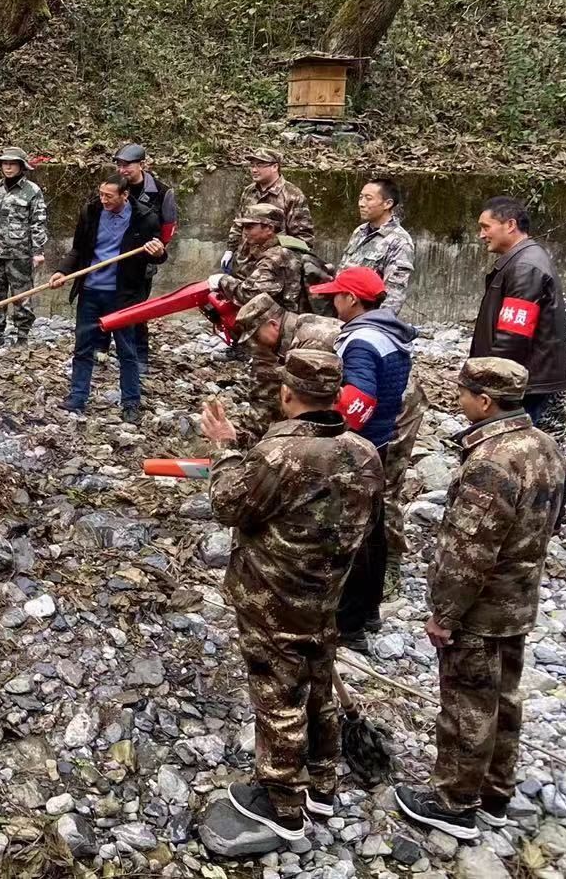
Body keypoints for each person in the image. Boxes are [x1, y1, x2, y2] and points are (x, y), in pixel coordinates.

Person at [201, 350, 383, 843]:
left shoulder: (279, 455)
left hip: (274, 596)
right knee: (318, 682)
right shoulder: (364, 452)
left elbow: (228, 504)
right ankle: (322, 782)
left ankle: (281, 802)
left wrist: (224, 449)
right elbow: (370, 525)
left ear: (286, 393)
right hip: (328, 593)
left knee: (277, 692)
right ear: (335, 395)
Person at [393, 357, 566, 841]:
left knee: (468, 704)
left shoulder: (491, 462)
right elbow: (552, 521)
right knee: (504, 698)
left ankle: (454, 802)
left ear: (485, 401)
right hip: (519, 599)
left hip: (481, 608)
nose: (460, 400)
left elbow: (469, 551)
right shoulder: (545, 445)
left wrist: (445, 614)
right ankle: (495, 793)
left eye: (464, 393)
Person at [311, 267, 417, 648]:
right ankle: (369, 610)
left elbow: (359, 400)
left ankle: (349, 625)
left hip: (359, 446)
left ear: (352, 299)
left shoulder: (361, 341)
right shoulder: (391, 334)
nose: (332, 301)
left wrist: (331, 431)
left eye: (337, 295)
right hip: (381, 440)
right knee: (372, 528)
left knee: (349, 534)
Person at [48, 173, 166, 422]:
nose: (103, 200)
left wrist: (157, 252)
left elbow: (157, 255)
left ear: (125, 195)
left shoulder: (145, 217)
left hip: (122, 296)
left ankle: (131, 403)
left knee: (127, 350)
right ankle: (77, 397)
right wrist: (62, 271)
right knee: (83, 347)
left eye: (109, 196)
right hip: (90, 291)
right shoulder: (91, 212)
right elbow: (78, 249)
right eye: (101, 194)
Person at [469, 197, 566, 435]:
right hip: (523, 377)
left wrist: (489, 378)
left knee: (509, 441)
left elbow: (513, 334)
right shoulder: (522, 260)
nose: (481, 235)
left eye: (486, 227)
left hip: (522, 381)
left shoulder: (525, 266)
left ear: (510, 225)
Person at [0, 146, 49, 345]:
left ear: (22, 167)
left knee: (22, 295)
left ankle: (22, 334)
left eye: (12, 164)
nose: (8, 167)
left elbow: (38, 222)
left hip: (19, 252)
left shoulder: (32, 191)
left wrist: (38, 251)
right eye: (5, 163)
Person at [230, 293, 342, 429]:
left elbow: (314, 402)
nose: (254, 344)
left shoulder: (310, 343)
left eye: (256, 336)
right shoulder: (299, 326)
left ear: (273, 325)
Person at [115, 143, 178, 370]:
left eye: (127, 165)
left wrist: (158, 248)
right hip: (115, 257)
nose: (122, 170)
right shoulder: (115, 187)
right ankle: (106, 349)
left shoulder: (161, 192)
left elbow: (169, 226)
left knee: (137, 309)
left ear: (142, 165)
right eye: (119, 165)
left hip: (143, 260)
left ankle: (140, 356)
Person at [338, 177, 415, 314]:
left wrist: (376, 322)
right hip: (343, 306)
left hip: (366, 315)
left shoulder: (399, 241)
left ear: (387, 204)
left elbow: (394, 295)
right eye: (360, 198)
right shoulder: (360, 232)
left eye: (368, 198)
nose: (361, 204)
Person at [224, 149, 315, 260]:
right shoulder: (249, 191)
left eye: (260, 165)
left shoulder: (292, 195)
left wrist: (287, 258)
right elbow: (239, 224)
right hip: (245, 259)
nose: (254, 170)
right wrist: (230, 250)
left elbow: (303, 238)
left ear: (275, 167)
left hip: (275, 262)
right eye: (252, 165)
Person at [222, 204, 304, 312]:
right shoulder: (285, 245)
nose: (244, 232)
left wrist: (222, 281)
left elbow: (249, 295)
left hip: (283, 318)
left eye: (249, 227)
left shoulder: (275, 257)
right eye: (243, 227)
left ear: (269, 228)